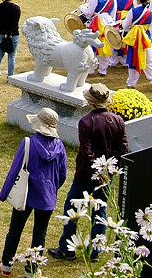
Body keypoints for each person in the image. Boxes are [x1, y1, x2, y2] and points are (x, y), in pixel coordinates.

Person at [52, 83, 128, 261]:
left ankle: (67, 248)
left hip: (86, 173)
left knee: (72, 208)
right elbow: (122, 149)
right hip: (106, 174)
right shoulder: (118, 120)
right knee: (100, 210)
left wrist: (98, 170)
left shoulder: (86, 121)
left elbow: (87, 152)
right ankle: (95, 251)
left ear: (90, 102)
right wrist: (108, 171)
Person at [0, 108, 68, 277]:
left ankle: (6, 265)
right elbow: (62, 174)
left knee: (15, 229)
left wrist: (4, 194)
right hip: (47, 197)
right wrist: (52, 189)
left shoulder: (28, 142)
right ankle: (32, 271)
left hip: (25, 194)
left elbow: (15, 170)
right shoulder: (60, 146)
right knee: (40, 234)